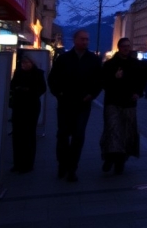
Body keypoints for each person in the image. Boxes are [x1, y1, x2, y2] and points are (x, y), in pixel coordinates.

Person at [48, 29, 102, 182]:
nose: (85, 42)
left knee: (78, 136)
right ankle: (62, 164)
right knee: (63, 135)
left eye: (87, 39)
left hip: (83, 105)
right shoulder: (63, 59)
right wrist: (59, 94)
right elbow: (53, 79)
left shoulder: (93, 60)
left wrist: (92, 94)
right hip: (65, 103)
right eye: (82, 39)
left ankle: (72, 168)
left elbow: (99, 80)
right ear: (75, 40)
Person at [99, 38, 142, 175]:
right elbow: (104, 83)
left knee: (127, 133)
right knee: (112, 131)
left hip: (129, 103)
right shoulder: (110, 65)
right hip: (113, 102)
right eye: (124, 46)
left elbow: (141, 81)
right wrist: (114, 78)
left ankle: (120, 160)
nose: (126, 48)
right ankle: (109, 158)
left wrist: (138, 92)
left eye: (128, 46)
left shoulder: (135, 64)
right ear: (119, 47)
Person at [9, 55, 46, 173]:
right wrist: (17, 89)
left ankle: (28, 163)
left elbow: (42, 88)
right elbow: (12, 85)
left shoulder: (38, 73)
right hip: (18, 106)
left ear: (32, 63)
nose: (25, 65)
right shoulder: (18, 73)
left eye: (27, 63)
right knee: (17, 135)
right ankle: (17, 163)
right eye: (23, 63)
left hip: (31, 106)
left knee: (29, 134)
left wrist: (28, 90)